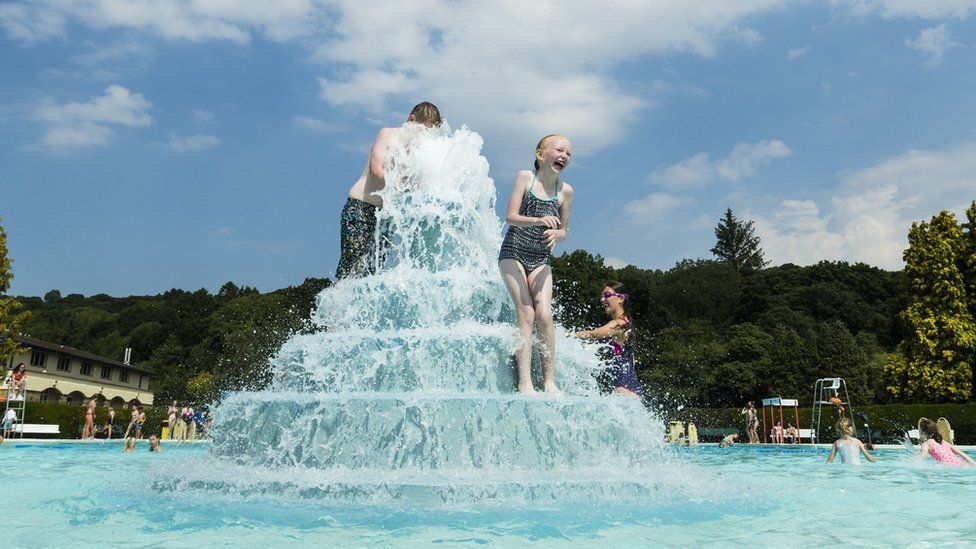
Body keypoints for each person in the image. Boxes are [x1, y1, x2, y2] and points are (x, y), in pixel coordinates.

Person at [499, 135, 575, 394]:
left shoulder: (565, 191)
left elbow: (564, 230)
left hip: (541, 258)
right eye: (559, 150)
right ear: (541, 155)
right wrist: (539, 221)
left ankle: (549, 380)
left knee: (544, 314)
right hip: (513, 253)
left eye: (569, 153)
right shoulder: (525, 178)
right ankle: (524, 382)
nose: (564, 155)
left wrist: (558, 234)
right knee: (527, 312)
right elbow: (510, 216)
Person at [336, 102, 442, 279]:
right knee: (351, 271)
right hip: (361, 208)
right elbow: (376, 171)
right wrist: (402, 184)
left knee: (370, 275)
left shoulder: (414, 152)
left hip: (384, 217)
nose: (423, 137)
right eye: (422, 131)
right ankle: (332, 306)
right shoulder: (387, 134)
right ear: (411, 119)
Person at [575, 281, 644, 398]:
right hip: (632, 389)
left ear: (621, 298)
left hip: (624, 389)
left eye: (606, 295)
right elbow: (632, 360)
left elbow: (594, 335)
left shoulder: (618, 324)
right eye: (602, 296)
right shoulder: (627, 324)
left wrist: (567, 335)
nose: (602, 299)